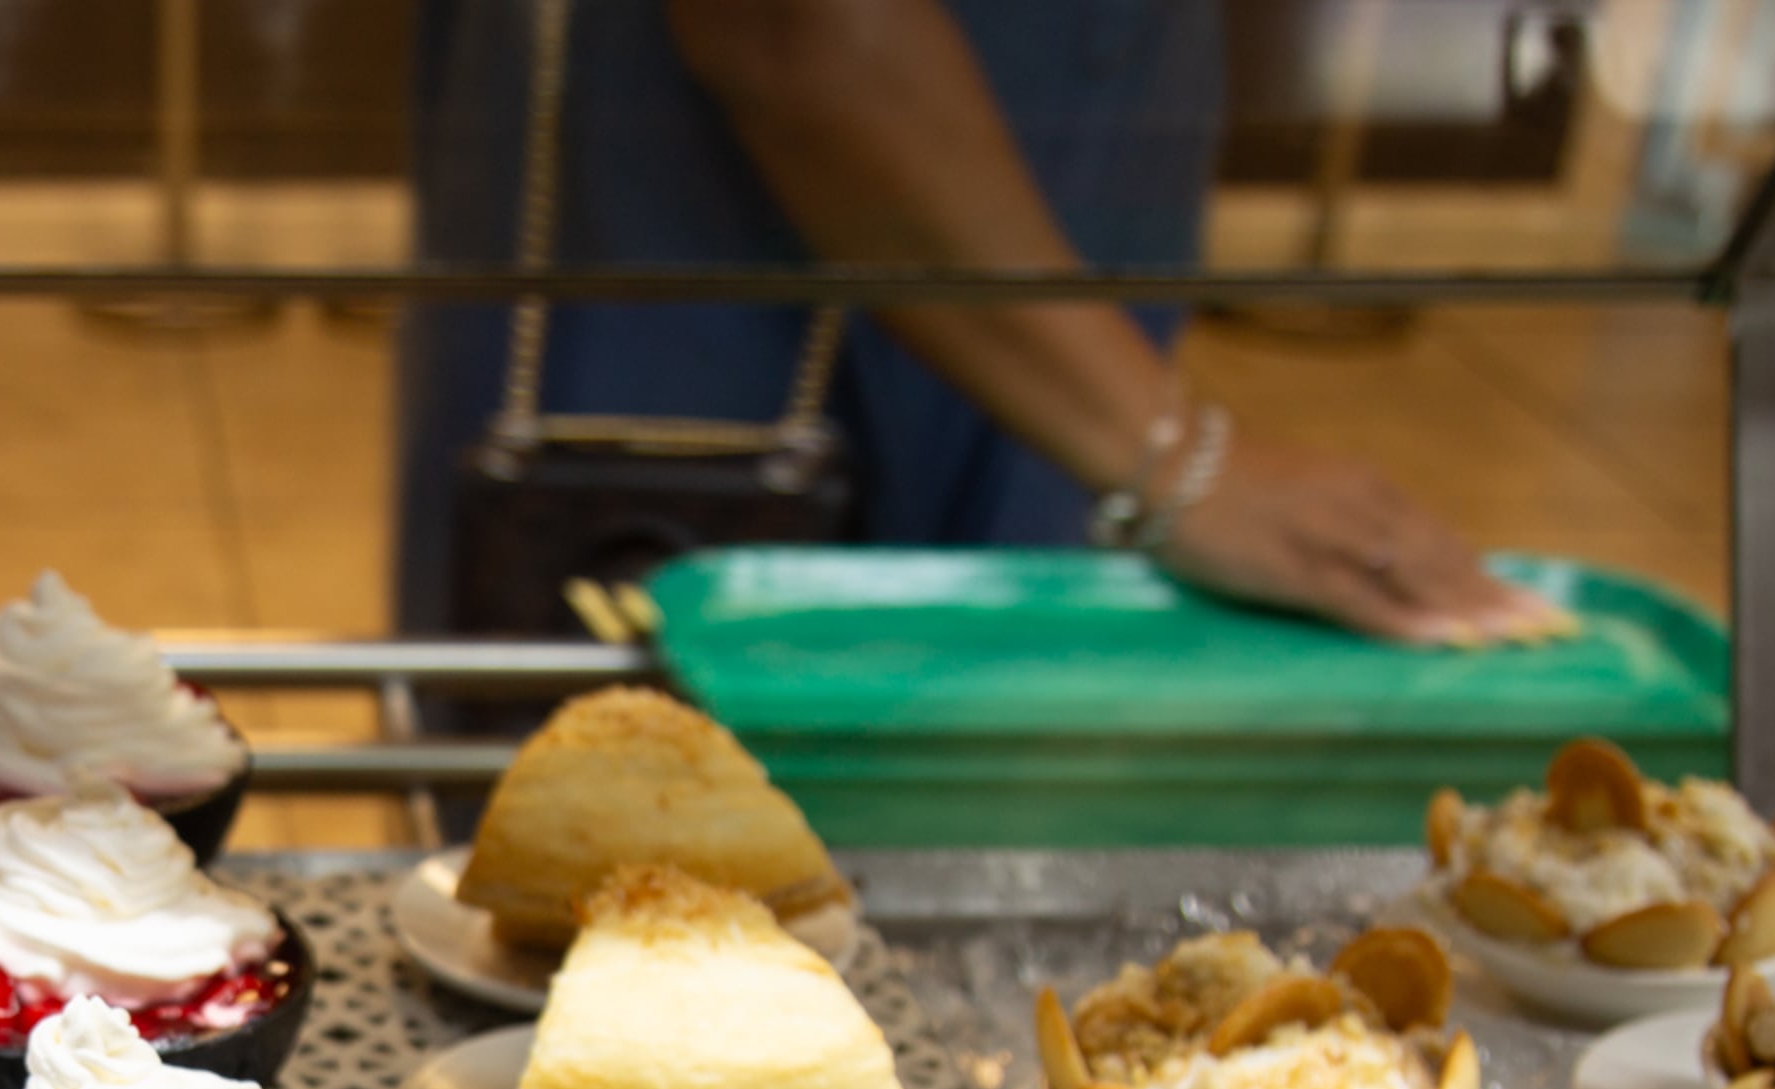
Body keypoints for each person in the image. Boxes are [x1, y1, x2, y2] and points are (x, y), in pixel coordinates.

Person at [398, 0, 1569, 648]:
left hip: (1016, 270)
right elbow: (789, 26)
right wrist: (1174, 457)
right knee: (654, 861)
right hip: (738, 261)